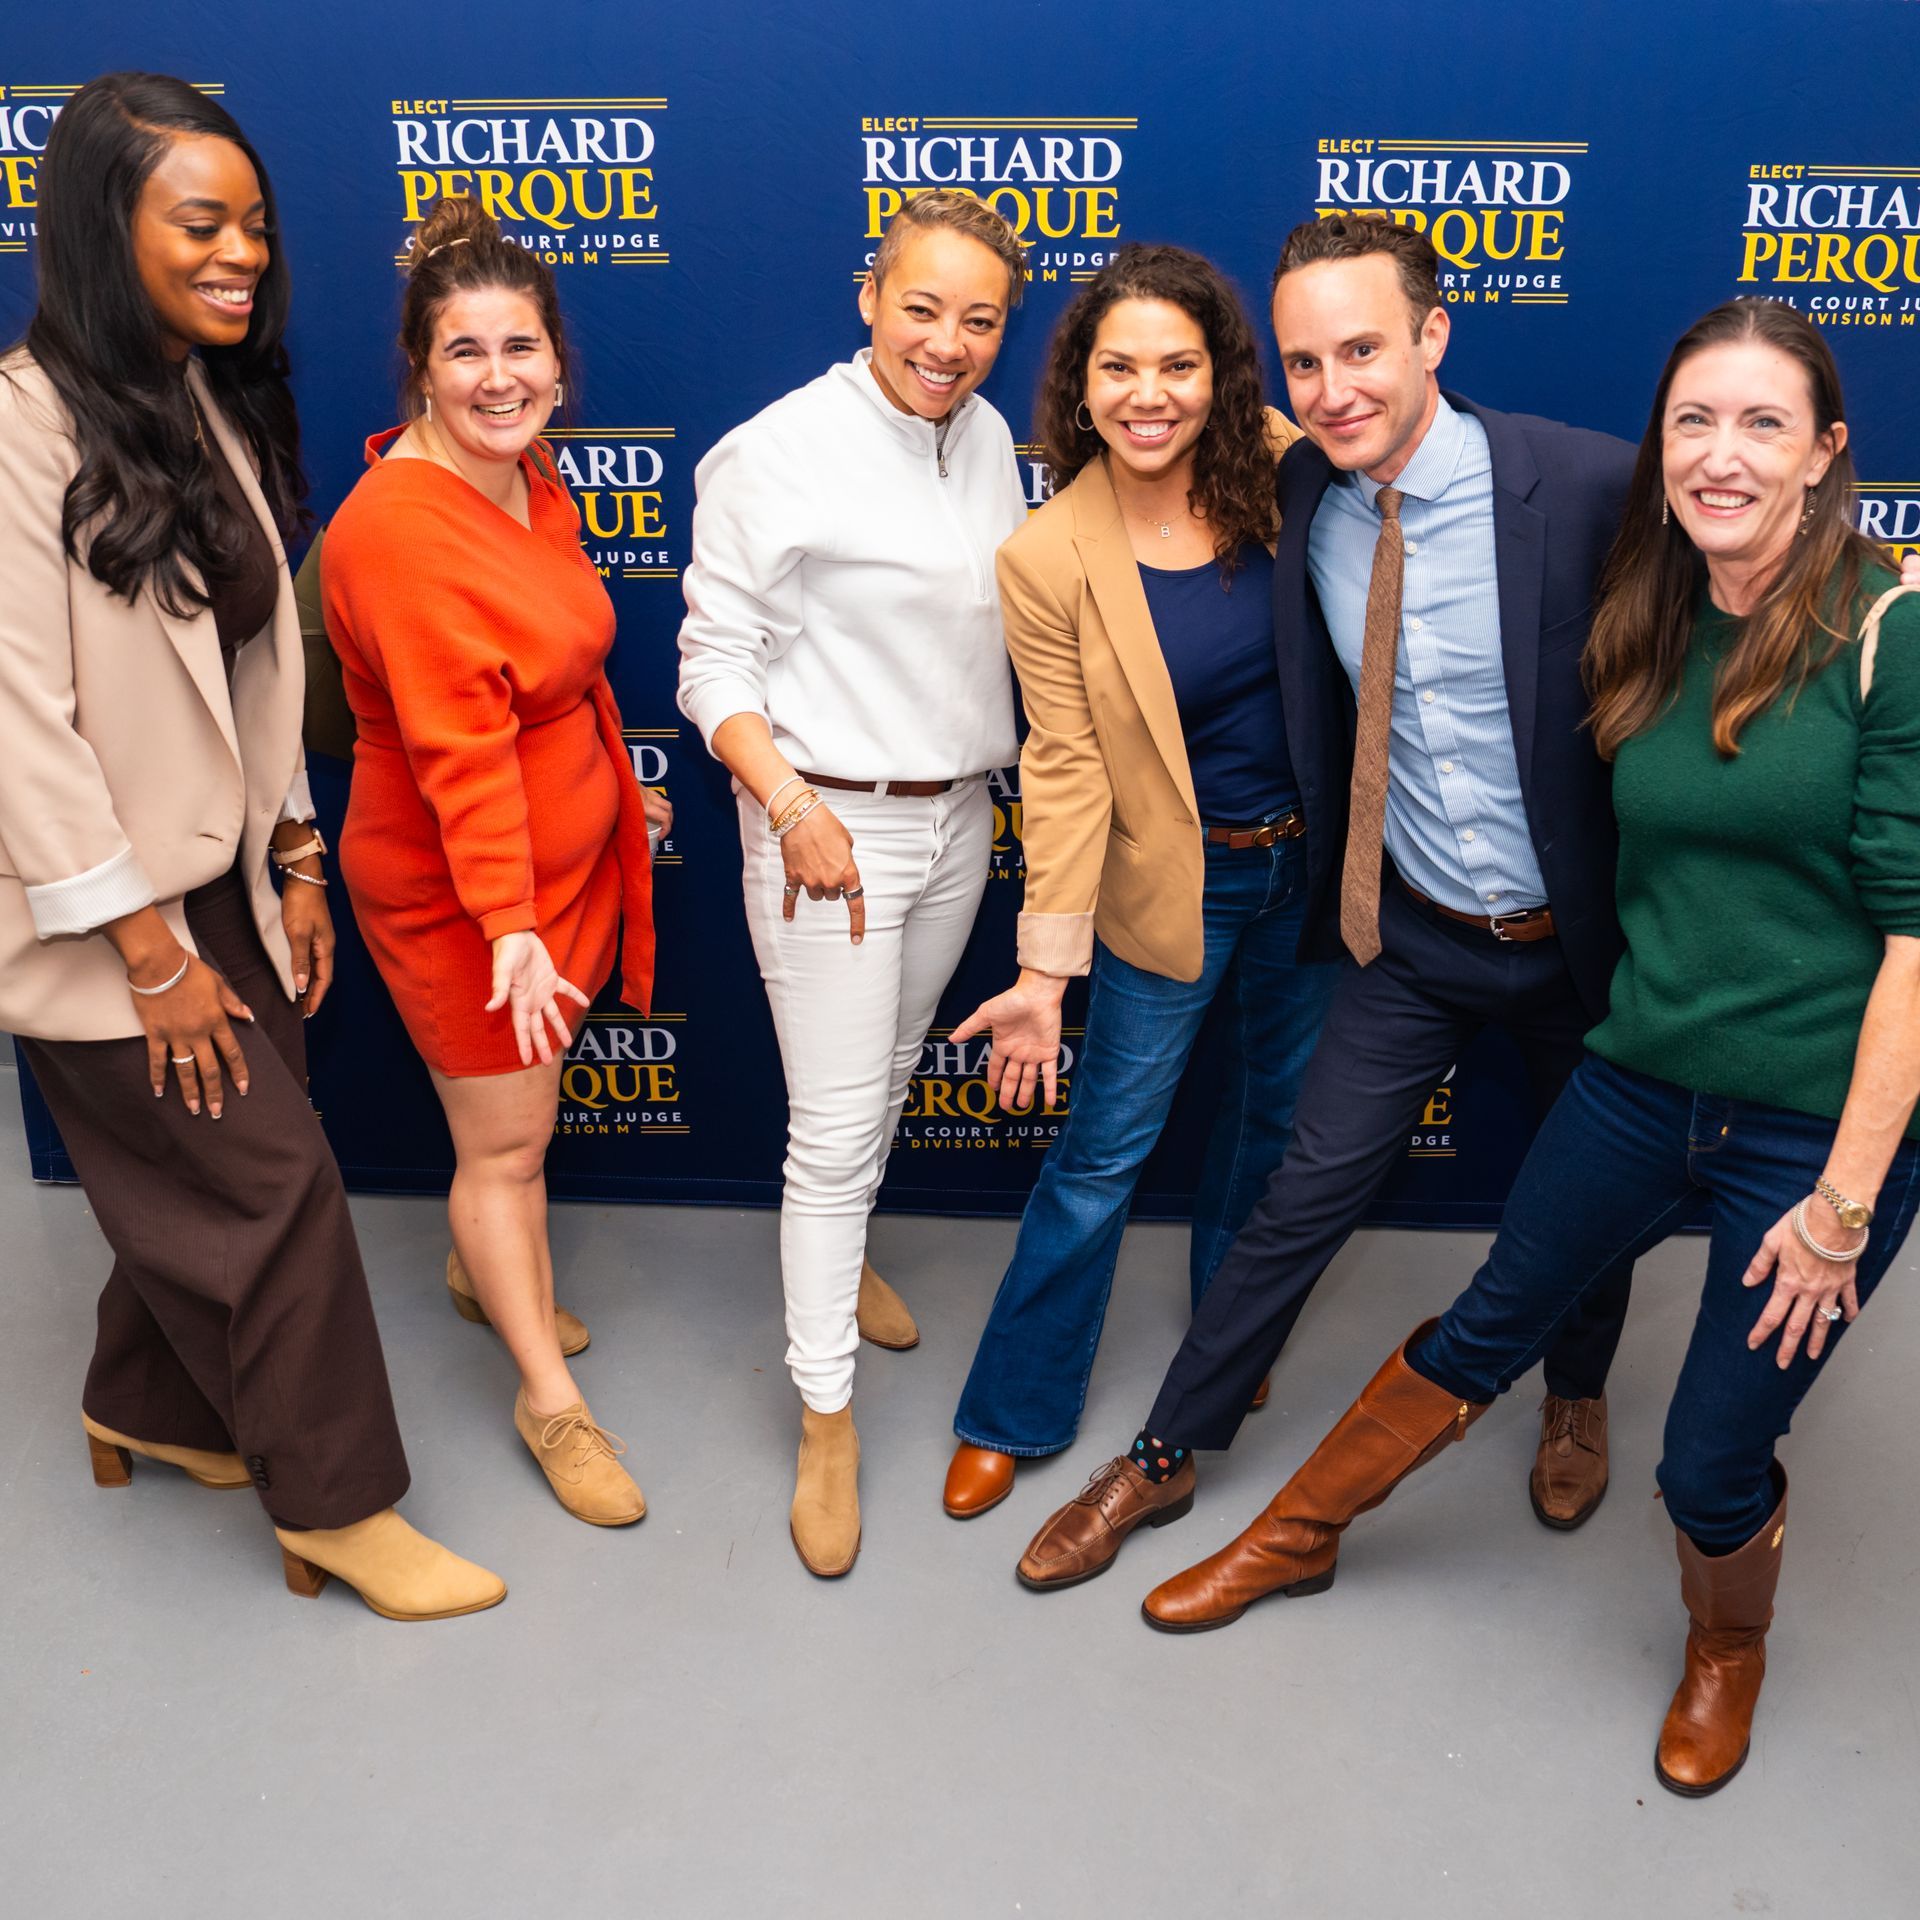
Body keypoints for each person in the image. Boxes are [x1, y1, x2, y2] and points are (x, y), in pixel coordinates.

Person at [1140, 298, 1920, 1803]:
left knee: (1707, 1457)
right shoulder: (1649, 603)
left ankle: (1725, 1650)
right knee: (1488, 1318)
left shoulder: (1891, 635)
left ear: (1827, 453)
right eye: (1695, 420)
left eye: (1765, 423)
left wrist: (1841, 1210)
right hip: (1642, 1072)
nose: (1722, 454)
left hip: (1818, 1133)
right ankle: (1295, 1535)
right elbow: (1324, 437)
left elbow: (1917, 947)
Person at [1012, 212, 1645, 1590]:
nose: (1336, 387)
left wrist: (1870, 590)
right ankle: (1166, 1452)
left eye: (1364, 348)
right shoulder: (1298, 499)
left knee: (1582, 1197)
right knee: (1298, 1193)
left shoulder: (1590, 485)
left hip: (1585, 947)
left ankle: (1577, 1393)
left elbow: (1736, 586)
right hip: (1413, 939)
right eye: (1305, 361)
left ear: (1434, 336)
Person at [0, 72, 502, 1621]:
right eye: (199, 223)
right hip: (106, 909)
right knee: (275, 1182)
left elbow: (253, 665)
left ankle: (143, 1403)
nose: (243, 256)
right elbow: (17, 720)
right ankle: (341, 1507)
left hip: (224, 873)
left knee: (209, 1158)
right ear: (101, 224)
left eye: (256, 228)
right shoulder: (18, 427)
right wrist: (147, 953)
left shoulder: (201, 394)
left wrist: (293, 857)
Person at [939, 246, 1339, 1525]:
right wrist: (1044, 970)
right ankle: (1015, 1407)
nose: (1149, 394)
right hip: (1183, 889)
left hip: (1315, 874)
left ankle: (1229, 1344)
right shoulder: (1048, 555)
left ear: (1222, 375)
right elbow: (1061, 767)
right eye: (1120, 367)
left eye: (1179, 364)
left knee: (1270, 1131)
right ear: (1082, 381)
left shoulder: (1289, 468)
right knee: (1103, 1154)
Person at [677, 191, 1029, 1576]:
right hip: (829, 827)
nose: (947, 343)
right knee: (828, 1133)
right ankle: (826, 1415)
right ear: (868, 295)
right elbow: (715, 665)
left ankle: (848, 1254)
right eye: (923, 307)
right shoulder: (777, 452)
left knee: (884, 1076)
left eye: (981, 319)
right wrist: (787, 804)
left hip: (957, 819)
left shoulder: (991, 437)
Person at [322, 195, 659, 1529]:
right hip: (467, 896)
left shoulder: (522, 476)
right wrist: (507, 922)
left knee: (518, 1128)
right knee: (506, 1152)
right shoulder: (401, 532)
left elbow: (556, 673)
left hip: (550, 873)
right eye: (466, 353)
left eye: (521, 348)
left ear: (559, 366)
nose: (500, 377)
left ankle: (483, 1270)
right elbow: (459, 750)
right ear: (418, 365)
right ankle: (546, 1402)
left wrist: (608, 797)